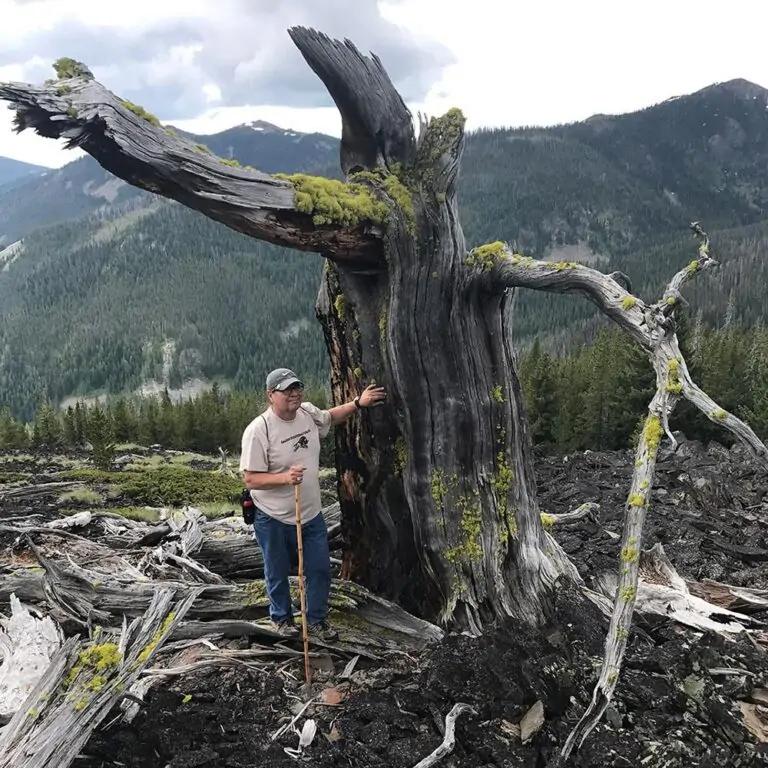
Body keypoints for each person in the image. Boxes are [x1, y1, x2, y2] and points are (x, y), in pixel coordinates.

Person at [240, 367, 386, 639]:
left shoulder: (307, 413)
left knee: (319, 568)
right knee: (277, 570)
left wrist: (357, 403)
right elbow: (250, 479)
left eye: (297, 387)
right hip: (272, 516)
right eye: (286, 390)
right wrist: (285, 478)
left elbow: (329, 417)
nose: (294, 393)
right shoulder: (259, 430)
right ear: (271, 395)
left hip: (310, 513)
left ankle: (316, 620)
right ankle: (282, 619)